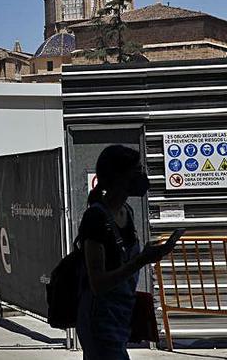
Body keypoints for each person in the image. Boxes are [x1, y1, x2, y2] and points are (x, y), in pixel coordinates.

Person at [77, 145, 179, 359]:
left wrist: (150, 253)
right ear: (120, 177)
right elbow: (98, 283)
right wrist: (142, 260)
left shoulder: (127, 212)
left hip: (121, 317)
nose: (142, 176)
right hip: (100, 321)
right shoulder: (96, 218)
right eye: (137, 170)